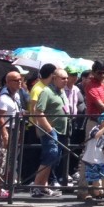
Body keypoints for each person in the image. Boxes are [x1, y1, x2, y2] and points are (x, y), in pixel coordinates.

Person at [31, 68, 69, 198]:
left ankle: (44, 187)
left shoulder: (62, 92)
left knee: (54, 159)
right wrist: (49, 129)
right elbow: (38, 111)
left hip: (62, 131)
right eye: (63, 78)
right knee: (50, 156)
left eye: (67, 78)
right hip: (50, 132)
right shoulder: (46, 92)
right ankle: (36, 186)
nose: (66, 81)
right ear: (54, 78)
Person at [0, 71, 24, 200]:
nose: (19, 82)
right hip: (6, 129)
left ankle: (6, 187)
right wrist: (4, 134)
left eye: (20, 79)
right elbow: (0, 118)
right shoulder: (3, 98)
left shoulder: (16, 96)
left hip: (14, 129)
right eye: (16, 80)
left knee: (11, 160)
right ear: (8, 82)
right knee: (1, 159)